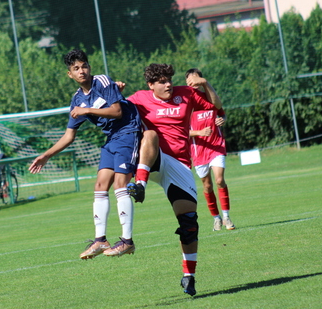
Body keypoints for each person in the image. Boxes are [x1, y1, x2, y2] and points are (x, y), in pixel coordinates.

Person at [29, 49, 142, 259]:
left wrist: (87, 111)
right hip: (111, 139)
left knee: (120, 183)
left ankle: (127, 241)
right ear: (69, 74)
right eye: (76, 68)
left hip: (128, 131)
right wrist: (46, 155)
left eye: (84, 66)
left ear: (89, 67)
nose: (82, 71)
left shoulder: (103, 82)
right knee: (99, 186)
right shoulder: (77, 99)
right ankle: (100, 240)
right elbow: (68, 136)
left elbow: (117, 111)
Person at [125, 63, 222, 297]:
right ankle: (140, 185)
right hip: (154, 157)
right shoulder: (138, 99)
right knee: (150, 134)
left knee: (189, 224)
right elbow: (118, 112)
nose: (168, 83)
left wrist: (205, 83)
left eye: (169, 79)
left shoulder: (187, 94)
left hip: (178, 165)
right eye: (161, 81)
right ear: (150, 85)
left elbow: (217, 106)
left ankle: (189, 276)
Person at [186, 68, 235, 231]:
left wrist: (223, 119)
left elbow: (220, 109)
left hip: (216, 146)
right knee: (207, 186)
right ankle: (216, 218)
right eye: (190, 79)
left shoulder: (209, 96)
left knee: (220, 180)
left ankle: (227, 217)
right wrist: (199, 132)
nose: (193, 81)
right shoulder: (186, 102)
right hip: (199, 151)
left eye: (196, 78)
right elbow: (181, 130)